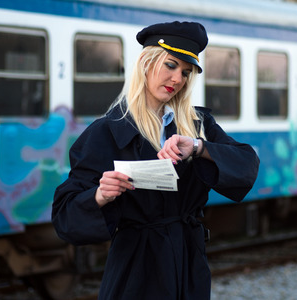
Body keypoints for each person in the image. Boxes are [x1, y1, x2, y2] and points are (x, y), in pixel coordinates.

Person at [52, 21, 260, 300]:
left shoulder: (197, 125)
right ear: (146, 64)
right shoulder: (108, 131)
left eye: (186, 73)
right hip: (136, 266)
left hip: (189, 261)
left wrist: (199, 147)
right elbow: (65, 215)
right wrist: (100, 195)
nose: (178, 79)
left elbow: (247, 164)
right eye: (171, 65)